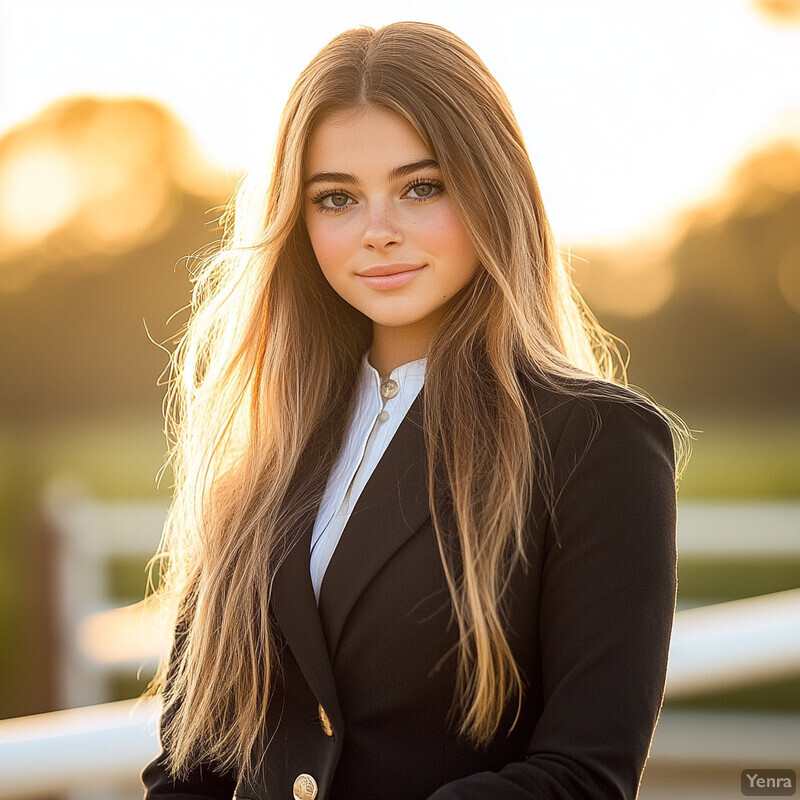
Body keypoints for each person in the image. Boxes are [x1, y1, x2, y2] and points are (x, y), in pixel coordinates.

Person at [141, 21, 689, 800]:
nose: (378, 233)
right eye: (337, 199)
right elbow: (190, 761)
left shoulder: (597, 441)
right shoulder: (268, 448)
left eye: (420, 188)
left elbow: (584, 777)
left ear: (492, 190)